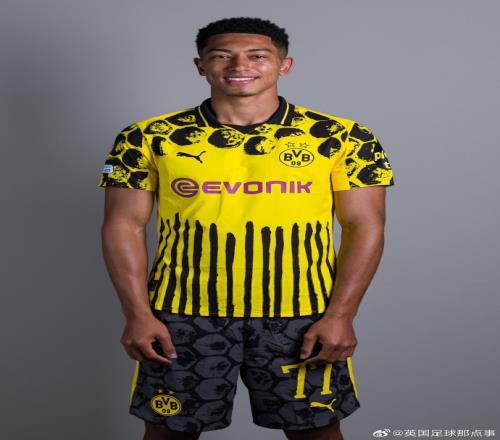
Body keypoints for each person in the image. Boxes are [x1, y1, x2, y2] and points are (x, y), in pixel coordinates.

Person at [98, 17, 394, 440]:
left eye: (258, 56)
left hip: (302, 314)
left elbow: (364, 226)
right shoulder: (148, 137)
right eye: (222, 56)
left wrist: (341, 315)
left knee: (316, 434)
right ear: (201, 65)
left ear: (284, 65)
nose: (240, 65)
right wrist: (138, 314)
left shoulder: (342, 137)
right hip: (183, 314)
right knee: (168, 434)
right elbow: (122, 225)